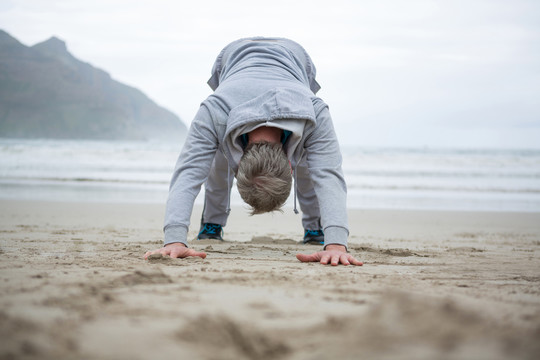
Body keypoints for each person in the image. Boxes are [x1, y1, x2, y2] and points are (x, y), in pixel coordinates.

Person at [144, 37, 362, 266]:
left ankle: (314, 228)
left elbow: (327, 174)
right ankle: (212, 223)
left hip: (296, 61)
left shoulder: (313, 112)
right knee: (218, 155)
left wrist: (336, 242)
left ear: (288, 165)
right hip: (232, 62)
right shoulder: (215, 110)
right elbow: (190, 172)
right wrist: (173, 240)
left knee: (309, 161)